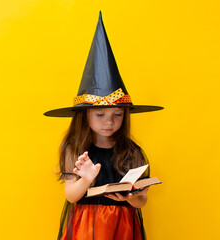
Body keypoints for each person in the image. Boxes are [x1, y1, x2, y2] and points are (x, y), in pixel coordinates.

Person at [44, 12, 163, 240]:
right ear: (84, 116)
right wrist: (86, 179)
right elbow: (71, 195)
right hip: (87, 227)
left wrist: (131, 196)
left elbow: (142, 201)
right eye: (100, 114)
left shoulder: (131, 151)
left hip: (123, 226)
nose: (109, 121)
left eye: (117, 114)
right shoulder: (74, 148)